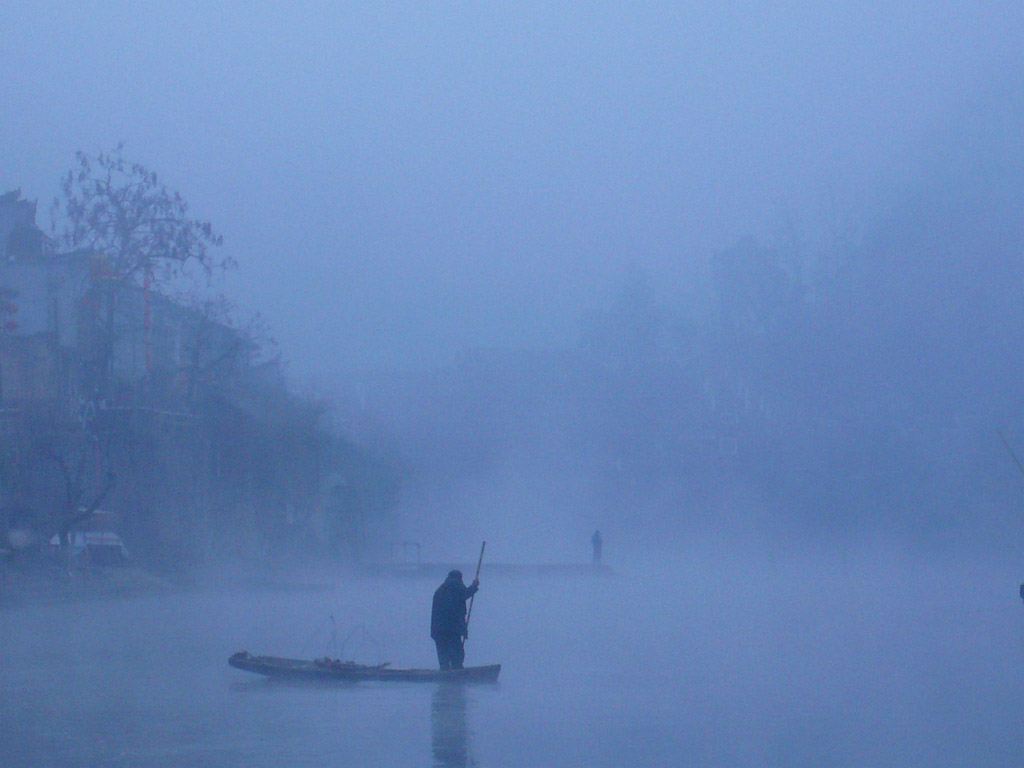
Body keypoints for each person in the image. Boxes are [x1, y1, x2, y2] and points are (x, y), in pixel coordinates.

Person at [431, 569, 479, 670]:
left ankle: (444, 678)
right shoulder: (456, 585)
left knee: (443, 656)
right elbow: (465, 594)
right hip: (452, 629)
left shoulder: (439, 591)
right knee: (456, 655)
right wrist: (474, 586)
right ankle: (456, 675)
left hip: (437, 630)